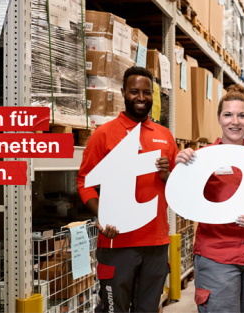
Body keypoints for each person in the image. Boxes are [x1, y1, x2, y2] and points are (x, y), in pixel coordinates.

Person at [76, 66, 179, 313]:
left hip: (156, 242)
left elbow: (178, 187)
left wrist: (167, 175)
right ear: (123, 92)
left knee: (148, 308)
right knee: (115, 309)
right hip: (117, 242)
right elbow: (84, 182)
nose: (141, 98)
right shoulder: (104, 135)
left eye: (146, 92)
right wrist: (103, 215)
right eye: (134, 91)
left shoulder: (165, 137)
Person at [175, 84, 244, 313]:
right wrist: (181, 166)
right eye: (228, 115)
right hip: (216, 255)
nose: (234, 122)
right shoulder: (203, 158)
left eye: (241, 115)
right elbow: (184, 196)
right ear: (219, 118)